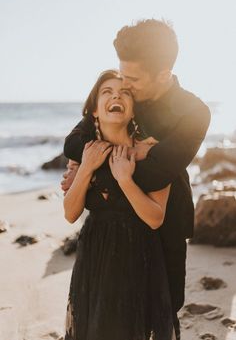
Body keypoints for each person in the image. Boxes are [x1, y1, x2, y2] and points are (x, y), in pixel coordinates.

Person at [62, 19, 211, 340]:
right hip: (108, 229)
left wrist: (94, 171)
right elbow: (74, 142)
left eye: (132, 78)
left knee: (163, 309)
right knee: (104, 311)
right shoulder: (123, 92)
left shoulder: (193, 112)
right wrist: (85, 168)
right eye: (122, 73)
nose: (124, 83)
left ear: (163, 74)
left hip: (164, 222)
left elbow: (159, 171)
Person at [63, 69, 175, 340]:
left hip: (137, 254)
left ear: (133, 110)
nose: (116, 96)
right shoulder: (83, 152)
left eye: (125, 92)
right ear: (94, 110)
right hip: (94, 252)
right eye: (107, 92)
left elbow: (155, 218)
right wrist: (87, 169)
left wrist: (125, 179)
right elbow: (70, 213)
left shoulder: (152, 152)